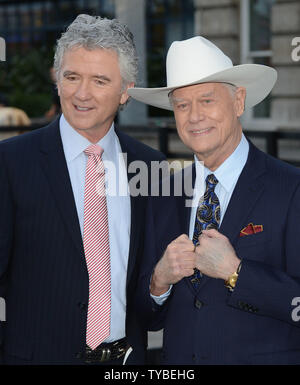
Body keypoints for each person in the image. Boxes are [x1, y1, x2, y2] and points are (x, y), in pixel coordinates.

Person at [0, 14, 165, 365]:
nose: (82, 93)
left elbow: (148, 282)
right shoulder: (10, 162)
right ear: (57, 80)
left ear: (125, 92)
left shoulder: (150, 166)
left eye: (100, 80)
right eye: (72, 76)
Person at [129, 36, 300, 365]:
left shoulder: (290, 189)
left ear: (238, 101)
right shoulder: (162, 193)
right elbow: (146, 317)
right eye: (182, 105)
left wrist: (235, 272)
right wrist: (159, 280)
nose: (194, 116)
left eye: (207, 100)